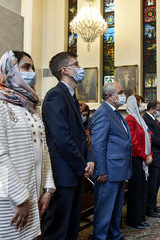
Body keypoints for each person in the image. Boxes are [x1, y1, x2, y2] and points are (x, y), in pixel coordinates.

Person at [0, 50, 55, 239]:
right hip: (9, 197)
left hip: (34, 192)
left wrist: (47, 189)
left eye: (32, 67)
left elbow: (44, 150)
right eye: (25, 67)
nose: (32, 72)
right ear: (9, 71)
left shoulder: (30, 107)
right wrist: (21, 200)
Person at [41, 52, 95, 240]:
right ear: (64, 70)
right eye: (76, 64)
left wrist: (89, 160)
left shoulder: (71, 96)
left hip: (75, 171)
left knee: (72, 226)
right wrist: (82, 166)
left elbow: (80, 135)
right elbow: (62, 138)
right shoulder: (55, 96)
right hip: (63, 174)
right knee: (59, 229)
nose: (80, 68)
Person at [91, 82, 132, 240]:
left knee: (115, 208)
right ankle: (100, 237)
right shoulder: (103, 113)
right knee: (105, 210)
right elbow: (98, 144)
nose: (123, 95)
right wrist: (101, 170)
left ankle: (115, 235)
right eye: (120, 92)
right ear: (110, 96)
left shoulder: (114, 112)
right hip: (109, 170)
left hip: (119, 169)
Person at [125, 95, 153, 229]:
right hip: (135, 159)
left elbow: (148, 137)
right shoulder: (130, 119)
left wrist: (150, 154)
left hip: (143, 157)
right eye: (141, 102)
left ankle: (141, 217)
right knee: (136, 190)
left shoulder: (140, 119)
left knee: (143, 189)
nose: (143, 104)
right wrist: (144, 156)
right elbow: (133, 142)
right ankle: (134, 219)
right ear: (135, 104)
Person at [143, 100, 160, 218]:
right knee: (153, 183)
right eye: (159, 109)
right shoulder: (147, 119)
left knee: (157, 183)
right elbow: (152, 138)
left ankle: (154, 205)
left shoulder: (154, 120)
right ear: (152, 109)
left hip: (159, 154)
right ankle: (149, 208)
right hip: (153, 155)